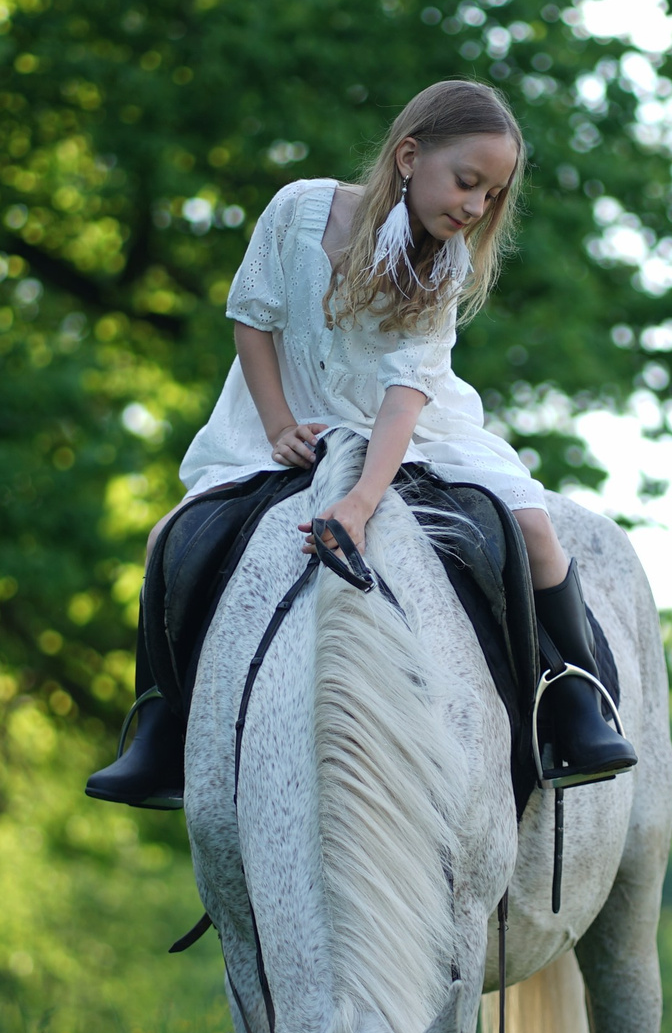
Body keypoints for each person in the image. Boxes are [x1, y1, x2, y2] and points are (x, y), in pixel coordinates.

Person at [86, 80, 636, 809]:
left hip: (406, 428)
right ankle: (160, 729)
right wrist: (279, 423)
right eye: (467, 183)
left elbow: (408, 389)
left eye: (492, 197)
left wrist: (362, 498)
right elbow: (253, 317)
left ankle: (574, 701)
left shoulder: (445, 262)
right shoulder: (298, 209)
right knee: (167, 538)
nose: (474, 208)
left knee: (533, 526)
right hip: (282, 414)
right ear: (410, 155)